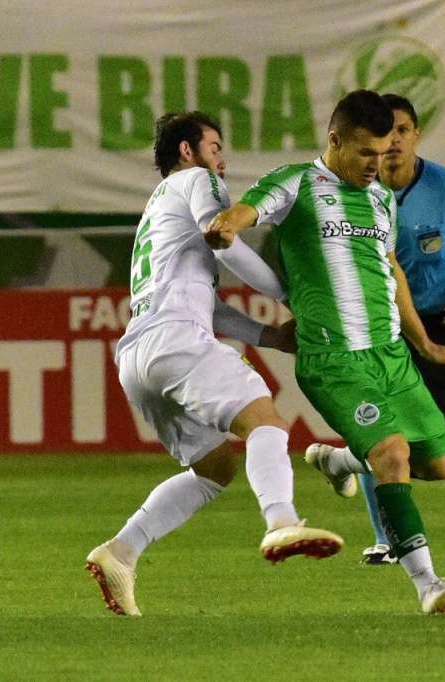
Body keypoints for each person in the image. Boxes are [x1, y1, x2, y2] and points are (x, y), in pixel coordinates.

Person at [205, 90, 445, 614]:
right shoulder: (299, 182)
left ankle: (338, 459)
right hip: (333, 360)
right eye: (367, 154)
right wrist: (231, 224)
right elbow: (251, 208)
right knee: (394, 455)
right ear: (334, 140)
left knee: (440, 464)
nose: (379, 165)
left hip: (391, 355)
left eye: (385, 153)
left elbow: (391, 270)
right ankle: (427, 584)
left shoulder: (380, 201)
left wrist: (427, 345)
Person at [84, 112, 344, 617]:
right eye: (214, 146)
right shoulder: (198, 182)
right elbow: (222, 239)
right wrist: (292, 293)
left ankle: (121, 552)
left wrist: (269, 335)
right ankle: (281, 522)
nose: (221, 159)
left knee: (215, 467)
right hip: (175, 340)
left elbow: (209, 302)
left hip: (138, 354)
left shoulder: (155, 210)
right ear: (187, 151)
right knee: (264, 421)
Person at [308, 93, 445, 566]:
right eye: (387, 134)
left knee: (434, 457)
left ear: (416, 134)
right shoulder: (352, 193)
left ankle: (343, 460)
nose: (394, 142)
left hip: (442, 325)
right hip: (378, 328)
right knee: (385, 432)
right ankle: (386, 537)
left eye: (403, 130)